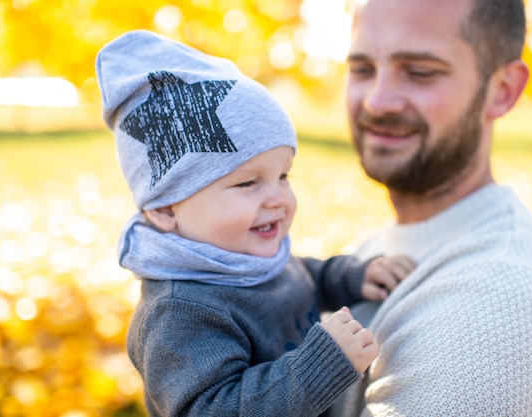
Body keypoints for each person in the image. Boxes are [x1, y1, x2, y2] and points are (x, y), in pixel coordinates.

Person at [95, 30, 415, 417]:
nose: (278, 197)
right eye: (247, 182)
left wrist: (349, 277)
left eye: (283, 176)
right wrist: (314, 370)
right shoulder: (179, 313)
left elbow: (295, 275)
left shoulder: (239, 255)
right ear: (164, 210)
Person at [329, 0, 532, 416]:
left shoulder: (502, 302)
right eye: (362, 69)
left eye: (420, 72)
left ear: (502, 90)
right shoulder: (375, 249)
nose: (377, 101)